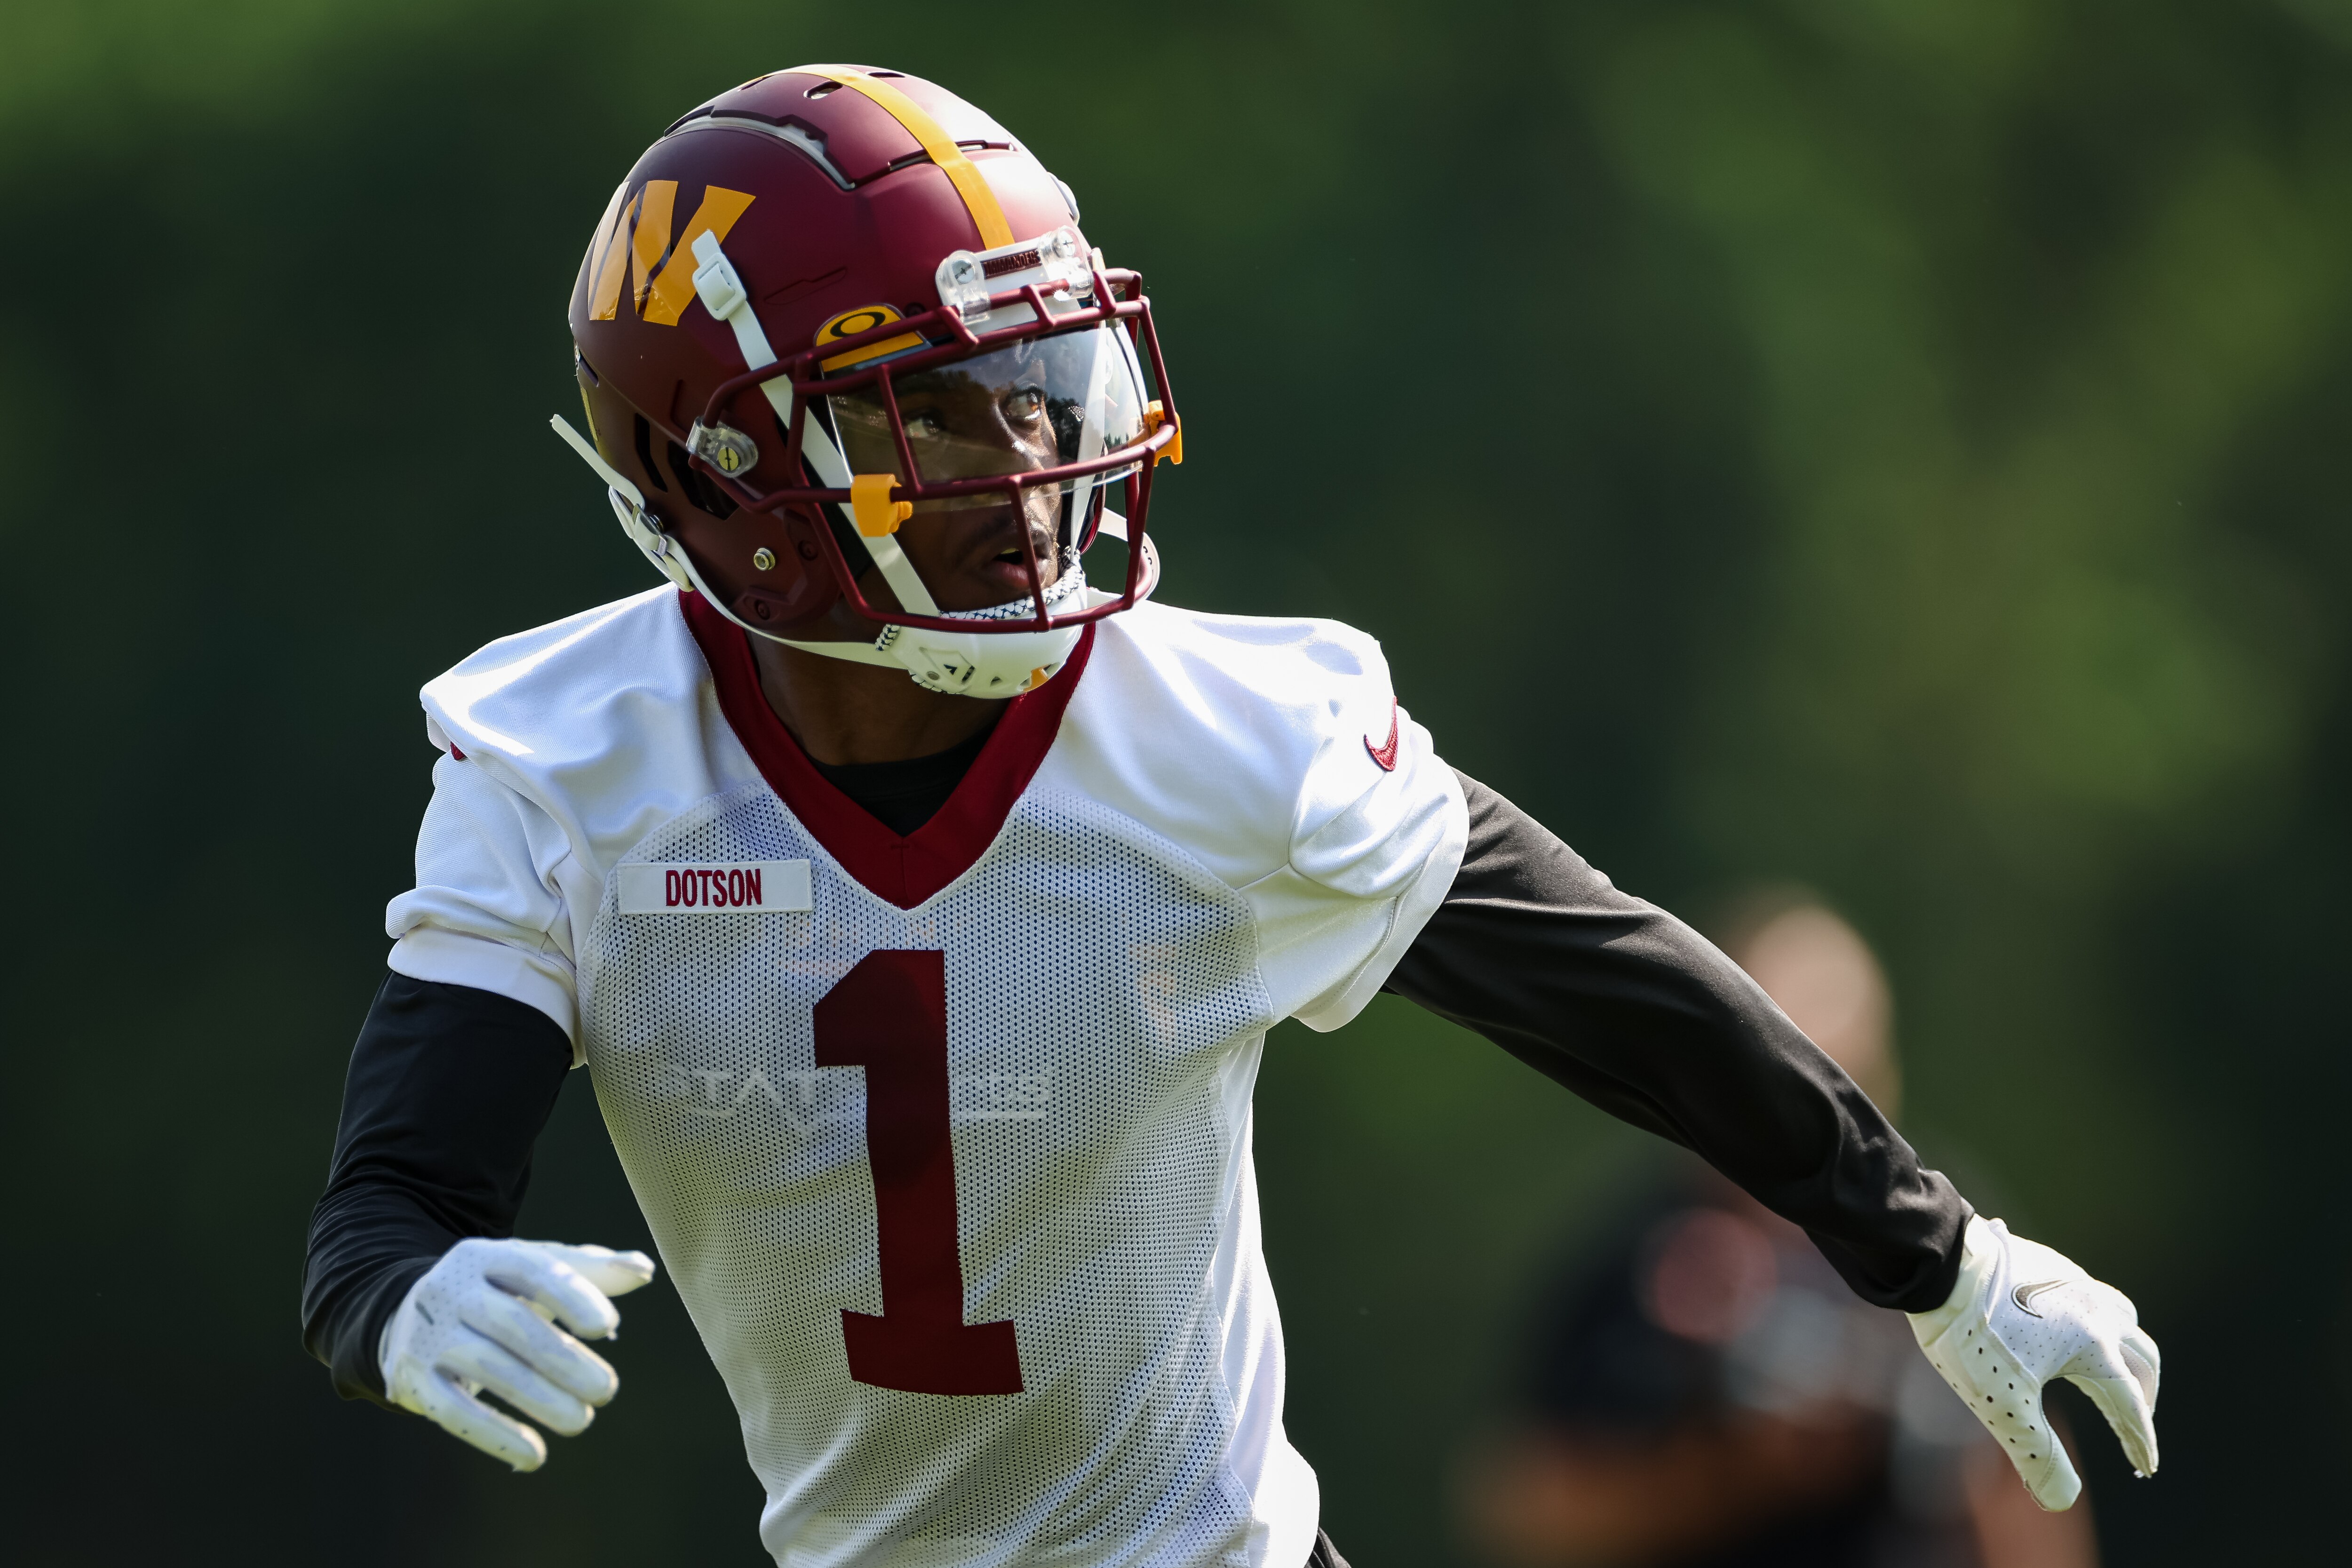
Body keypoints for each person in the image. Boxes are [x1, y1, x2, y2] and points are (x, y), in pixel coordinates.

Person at [301, 65, 2160, 1568]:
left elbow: (1601, 978)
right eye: (937, 419)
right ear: (725, 478)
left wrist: (1933, 1244)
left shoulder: (1205, 733)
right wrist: (397, 1295)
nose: (1028, 468)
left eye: (1033, 393)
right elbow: (392, 1198)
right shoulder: (567, 758)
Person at [1461, 894, 2101, 1568]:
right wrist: (1730, 1474)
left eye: (1836, 1087)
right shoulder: (1643, 1258)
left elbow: (2036, 1476)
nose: (1808, 1131)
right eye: (1776, 1086)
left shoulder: (1954, 1245)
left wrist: (1934, 1459)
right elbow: (1521, 1505)